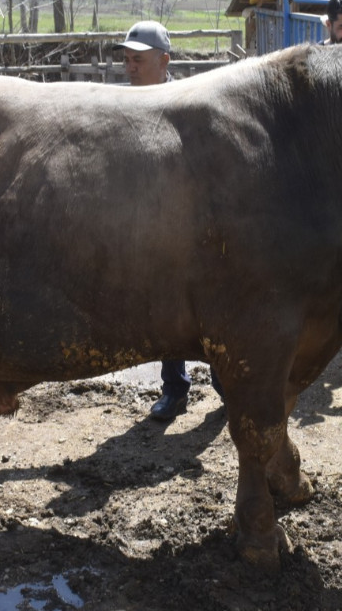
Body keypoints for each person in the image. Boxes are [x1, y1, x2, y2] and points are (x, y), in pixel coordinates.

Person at [113, 21, 222, 420]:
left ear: (164, 61)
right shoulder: (120, 106)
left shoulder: (190, 103)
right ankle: (174, 389)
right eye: (126, 59)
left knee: (208, 312)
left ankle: (226, 387)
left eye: (137, 60)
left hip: (192, 227)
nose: (130, 67)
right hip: (147, 228)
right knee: (165, 312)